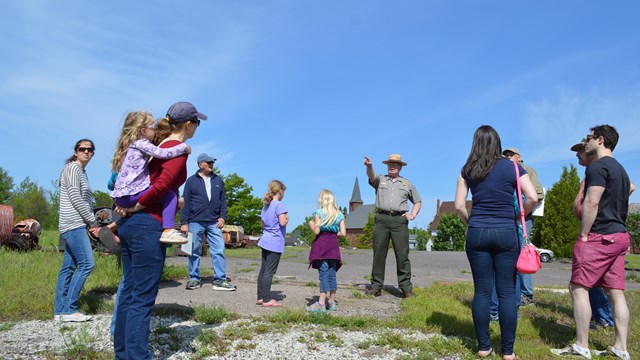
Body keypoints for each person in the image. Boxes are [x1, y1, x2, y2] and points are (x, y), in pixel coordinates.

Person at [113, 101, 206, 359]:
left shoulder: (158, 148)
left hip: (133, 227)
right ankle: (137, 356)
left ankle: (123, 354)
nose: (197, 127)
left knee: (130, 294)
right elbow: (163, 184)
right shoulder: (176, 148)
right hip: (147, 225)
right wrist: (138, 206)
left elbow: (156, 184)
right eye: (197, 122)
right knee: (142, 298)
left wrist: (136, 208)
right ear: (188, 125)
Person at [455, 126, 538, 360]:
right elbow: (531, 197)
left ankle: (483, 347)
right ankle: (508, 352)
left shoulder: (467, 169)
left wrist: (471, 222)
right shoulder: (513, 166)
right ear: (498, 143)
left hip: (477, 231)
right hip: (506, 232)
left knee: (482, 291)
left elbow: (460, 205)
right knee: (506, 291)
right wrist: (514, 217)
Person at [553, 125, 632, 360]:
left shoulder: (597, 166)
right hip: (620, 236)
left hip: (599, 236)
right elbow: (628, 190)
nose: (585, 143)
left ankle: (581, 345)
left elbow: (591, 202)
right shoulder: (621, 169)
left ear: (600, 140)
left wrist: (584, 235)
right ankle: (621, 348)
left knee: (578, 288)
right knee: (615, 292)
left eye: (588, 138)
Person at [110, 111, 191, 244]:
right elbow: (162, 153)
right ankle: (168, 230)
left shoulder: (131, 146)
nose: (154, 130)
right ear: (143, 131)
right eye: (152, 127)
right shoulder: (142, 143)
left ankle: (115, 226)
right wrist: (183, 147)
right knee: (170, 195)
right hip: (131, 194)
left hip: (121, 196)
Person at [54, 139, 100, 323]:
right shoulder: (73, 168)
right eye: (82, 149)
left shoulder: (81, 171)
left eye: (89, 150)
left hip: (73, 223)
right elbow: (75, 197)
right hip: (74, 223)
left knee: (68, 267)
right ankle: (69, 309)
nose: (86, 152)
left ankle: (59, 311)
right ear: (75, 152)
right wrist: (92, 221)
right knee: (87, 264)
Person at [363, 154, 421, 298]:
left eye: (395, 164)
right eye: (390, 164)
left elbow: (418, 201)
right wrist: (369, 166)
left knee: (402, 255)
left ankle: (406, 288)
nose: (392, 166)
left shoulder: (407, 184)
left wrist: (412, 215)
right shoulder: (381, 180)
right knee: (379, 255)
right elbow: (371, 177)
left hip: (399, 221)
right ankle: (376, 286)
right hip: (381, 219)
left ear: (400, 167)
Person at [570, 139, 614, 330]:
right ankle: (600, 317)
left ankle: (603, 318)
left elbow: (629, 186)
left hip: (596, 233)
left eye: (580, 151)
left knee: (586, 282)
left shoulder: (598, 169)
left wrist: (605, 210)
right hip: (596, 231)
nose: (578, 154)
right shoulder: (590, 174)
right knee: (593, 281)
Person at [181, 153, 235, 291]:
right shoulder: (191, 181)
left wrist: (223, 216)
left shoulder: (218, 180)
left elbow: (223, 200)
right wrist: (184, 222)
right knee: (193, 250)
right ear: (200, 164)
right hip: (195, 221)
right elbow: (186, 203)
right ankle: (194, 279)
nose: (211, 164)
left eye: (212, 162)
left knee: (219, 250)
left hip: (214, 222)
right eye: (209, 162)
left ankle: (220, 280)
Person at [502, 147, 544, 306]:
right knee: (508, 255)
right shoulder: (505, 171)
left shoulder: (527, 171)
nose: (507, 157)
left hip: (523, 219)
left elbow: (538, 194)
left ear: (519, 157)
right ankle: (513, 291)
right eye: (505, 155)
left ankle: (526, 295)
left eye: (510, 155)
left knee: (523, 254)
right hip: (507, 218)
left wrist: (522, 210)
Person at [306, 189, 346, 312]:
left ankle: (321, 304)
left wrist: (311, 224)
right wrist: (333, 231)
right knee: (332, 273)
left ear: (322, 200)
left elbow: (316, 231)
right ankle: (332, 302)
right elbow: (343, 233)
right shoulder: (339, 214)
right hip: (333, 247)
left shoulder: (319, 213)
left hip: (322, 246)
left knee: (323, 274)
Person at [256, 180, 288, 308]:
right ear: (280, 191)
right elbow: (283, 223)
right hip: (275, 241)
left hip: (265, 239)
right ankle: (267, 299)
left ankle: (260, 297)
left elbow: (262, 224)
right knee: (269, 272)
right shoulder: (280, 205)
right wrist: (287, 218)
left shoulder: (266, 205)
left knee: (263, 270)